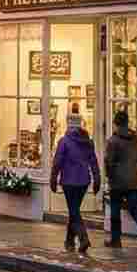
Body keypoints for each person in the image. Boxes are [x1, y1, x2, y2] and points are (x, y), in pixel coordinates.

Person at [51, 107, 101, 253]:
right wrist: (96, 179)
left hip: (68, 181)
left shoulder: (64, 141)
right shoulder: (88, 142)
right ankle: (69, 241)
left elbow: (57, 162)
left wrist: (53, 178)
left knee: (74, 211)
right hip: (83, 181)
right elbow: (94, 162)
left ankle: (83, 238)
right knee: (74, 210)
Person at [104, 109, 137, 251]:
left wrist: (110, 176)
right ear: (127, 123)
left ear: (116, 124)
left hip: (117, 182)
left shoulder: (113, 141)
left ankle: (116, 240)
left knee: (115, 210)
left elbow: (108, 162)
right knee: (136, 210)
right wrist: (136, 171)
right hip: (134, 181)